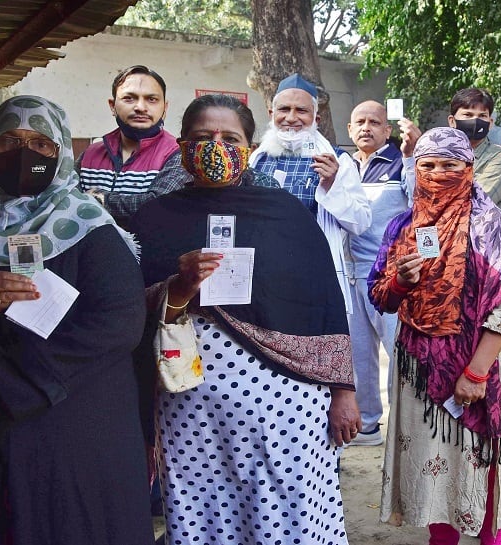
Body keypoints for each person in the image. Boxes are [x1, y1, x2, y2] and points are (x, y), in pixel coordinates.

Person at [0, 95, 152, 544]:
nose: (23, 154)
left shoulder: (88, 226)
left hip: (67, 435)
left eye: (41, 143)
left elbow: (119, 323)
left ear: (61, 154)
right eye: (8, 141)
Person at [129, 94, 360, 544]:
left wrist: (344, 392)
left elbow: (325, 304)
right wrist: (179, 287)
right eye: (202, 138)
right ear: (180, 146)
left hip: (287, 405)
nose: (216, 147)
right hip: (191, 405)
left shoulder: (285, 213)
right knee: (206, 509)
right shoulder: (155, 219)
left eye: (230, 138)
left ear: (249, 147)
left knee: (288, 510)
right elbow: (129, 315)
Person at [369, 127, 501, 544]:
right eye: (428, 165)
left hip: (478, 365)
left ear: (469, 168)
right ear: (415, 169)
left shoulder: (493, 226)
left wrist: (476, 373)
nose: (438, 173)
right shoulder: (403, 226)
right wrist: (401, 282)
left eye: (450, 164)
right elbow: (380, 296)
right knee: (436, 468)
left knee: (484, 462)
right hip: (418, 372)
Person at [250, 73, 371, 314]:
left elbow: (361, 223)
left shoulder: (337, 160)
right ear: (271, 114)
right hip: (262, 277)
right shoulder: (256, 159)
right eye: (284, 109)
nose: (291, 118)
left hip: (313, 278)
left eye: (301, 111)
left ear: (316, 117)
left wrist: (331, 185)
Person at [343, 100, 414, 446]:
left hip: (389, 276)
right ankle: (368, 424)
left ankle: (403, 425)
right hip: (350, 274)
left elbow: (420, 205)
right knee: (359, 355)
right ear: (349, 129)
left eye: (375, 122)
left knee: (397, 350)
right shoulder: (343, 166)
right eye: (360, 121)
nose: (366, 128)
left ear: (387, 130)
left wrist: (413, 158)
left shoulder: (401, 163)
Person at [78, 65, 179, 228]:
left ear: (165, 108)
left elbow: (159, 205)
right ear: (112, 106)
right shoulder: (90, 154)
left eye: (152, 99)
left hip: (148, 253)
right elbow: (67, 200)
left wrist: (99, 200)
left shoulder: (176, 154)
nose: (140, 107)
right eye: (129, 98)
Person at [447, 88, 501, 208]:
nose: (475, 121)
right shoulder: (441, 156)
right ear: (452, 121)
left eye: (482, 116)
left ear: (490, 123)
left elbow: (473, 203)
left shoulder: (500, 159)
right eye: (468, 114)